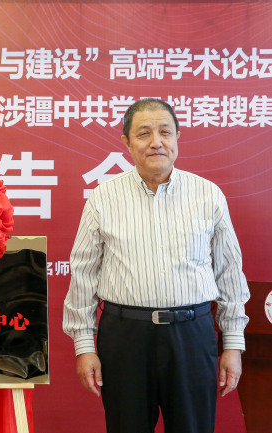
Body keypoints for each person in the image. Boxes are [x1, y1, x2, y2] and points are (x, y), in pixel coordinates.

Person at [62, 98, 250, 433]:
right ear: (127, 142)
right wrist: (84, 346)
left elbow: (229, 272)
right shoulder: (104, 197)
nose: (156, 142)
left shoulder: (207, 195)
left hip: (192, 335)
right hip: (125, 338)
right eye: (144, 133)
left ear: (177, 138)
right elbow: (84, 273)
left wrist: (233, 344)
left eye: (165, 132)